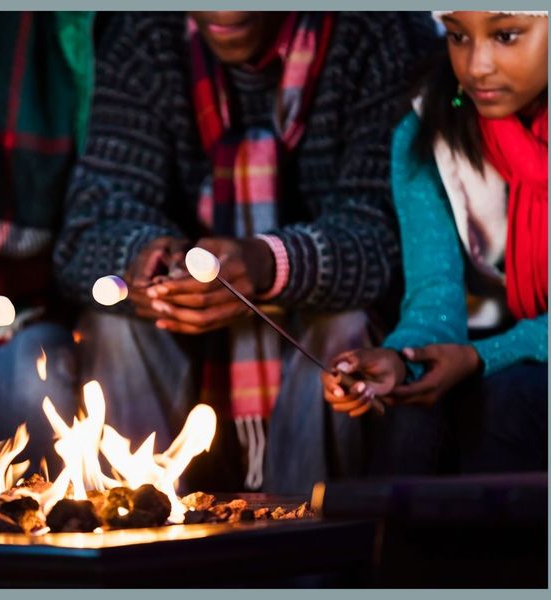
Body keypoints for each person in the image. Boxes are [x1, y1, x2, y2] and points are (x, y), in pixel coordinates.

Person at [54, 11, 437, 494]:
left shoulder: (377, 31)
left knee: (343, 331)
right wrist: (148, 262)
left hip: (315, 325)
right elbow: (88, 228)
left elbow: (388, 234)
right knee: (114, 327)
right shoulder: (148, 33)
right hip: (190, 346)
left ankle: (301, 548)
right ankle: (143, 530)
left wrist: (265, 263)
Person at [322, 10, 548, 475]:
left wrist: (481, 357)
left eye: (506, 35)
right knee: (410, 413)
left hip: (522, 350)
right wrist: (402, 361)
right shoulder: (431, 129)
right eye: (459, 36)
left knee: (513, 400)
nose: (477, 65)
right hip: (505, 335)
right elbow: (434, 294)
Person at [0, 11, 95, 477]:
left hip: (14, 313)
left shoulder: (62, 31)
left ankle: (33, 537)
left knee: (34, 381)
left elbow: (100, 206)